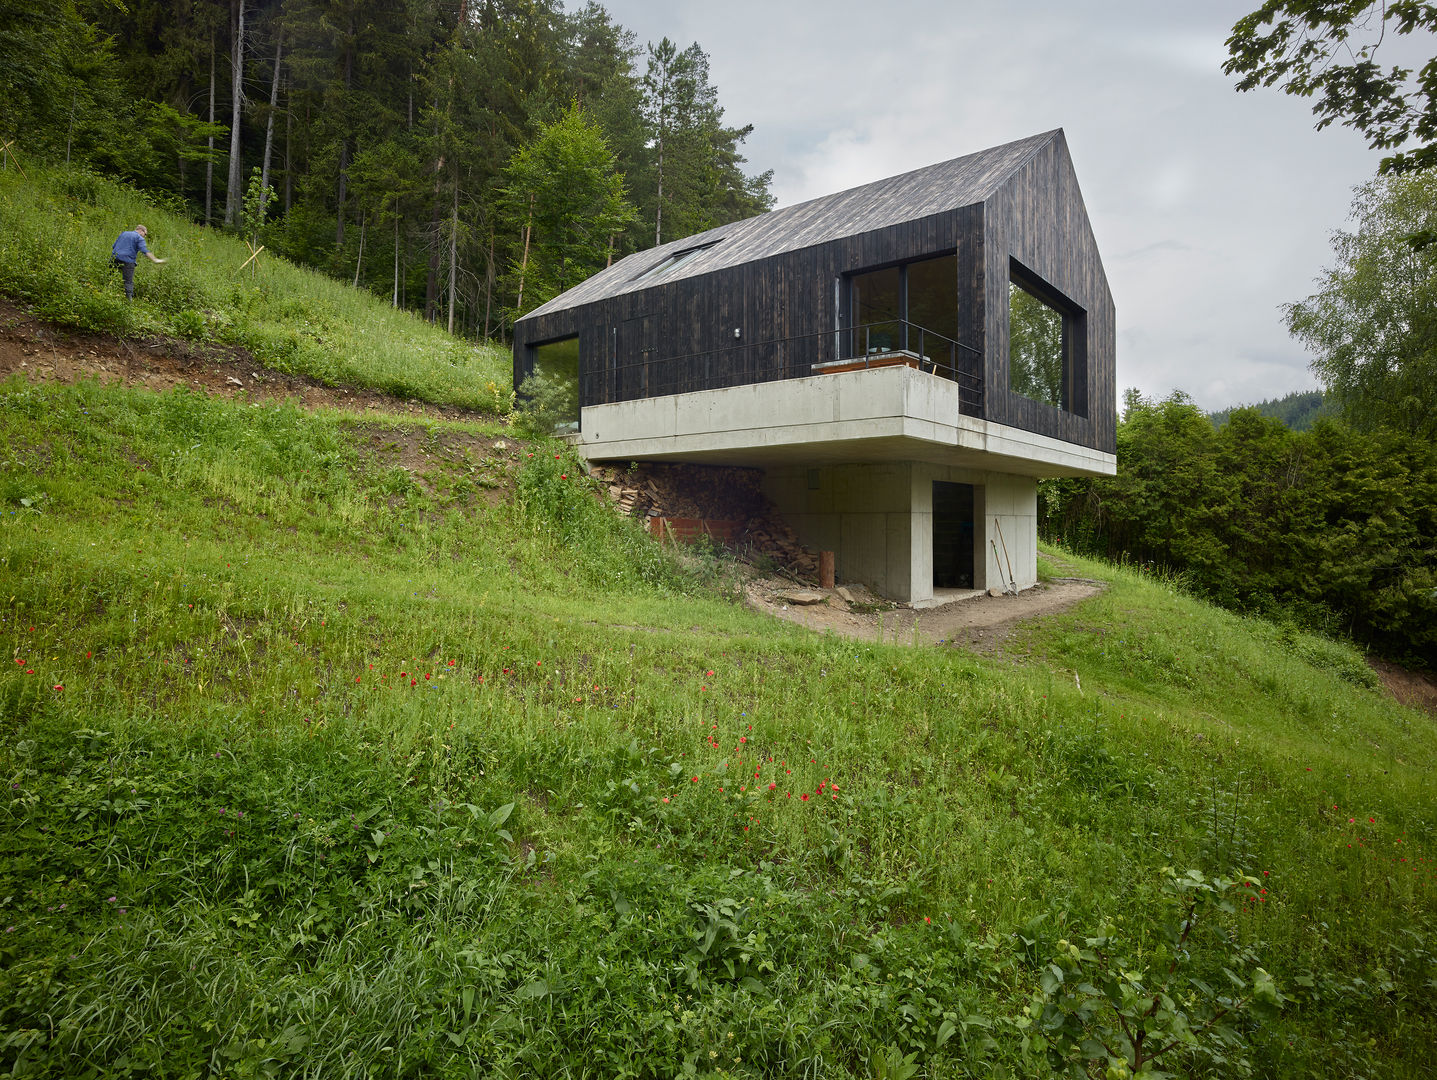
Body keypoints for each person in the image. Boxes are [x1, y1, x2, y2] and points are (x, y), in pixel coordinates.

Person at [111, 225, 165, 300]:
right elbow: (144, 251)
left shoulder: (124, 233)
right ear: (141, 230)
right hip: (128, 261)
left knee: (110, 277)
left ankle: (107, 292)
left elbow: (114, 246)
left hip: (115, 258)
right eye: (145, 234)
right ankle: (128, 302)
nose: (145, 236)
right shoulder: (139, 238)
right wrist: (155, 260)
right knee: (128, 282)